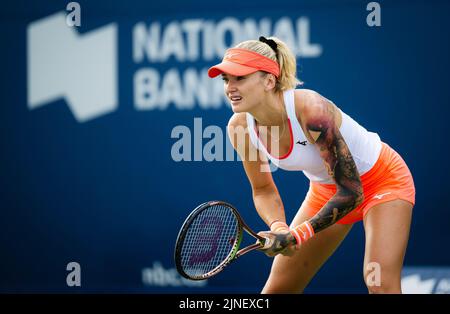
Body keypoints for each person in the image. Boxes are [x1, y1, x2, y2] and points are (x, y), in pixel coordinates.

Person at [207, 36, 415, 294]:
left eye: (240, 78)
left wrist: (299, 234)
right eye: (226, 80)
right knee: (277, 290)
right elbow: (263, 190)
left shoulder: (310, 109)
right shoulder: (239, 128)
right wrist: (279, 227)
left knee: (379, 282)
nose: (230, 87)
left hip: (382, 181)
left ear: (269, 81)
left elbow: (351, 191)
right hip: (326, 191)